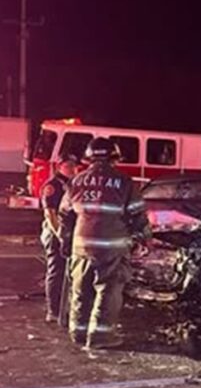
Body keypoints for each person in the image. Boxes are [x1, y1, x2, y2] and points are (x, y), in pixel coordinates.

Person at [58, 137, 151, 349]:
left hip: (81, 245)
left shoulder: (75, 181)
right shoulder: (125, 183)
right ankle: (101, 337)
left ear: (89, 158)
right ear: (114, 158)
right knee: (108, 290)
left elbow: (64, 214)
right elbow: (138, 216)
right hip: (111, 246)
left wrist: (66, 240)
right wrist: (145, 238)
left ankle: (78, 333)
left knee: (81, 289)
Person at [40, 153, 78, 323]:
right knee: (56, 271)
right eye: (67, 165)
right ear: (59, 166)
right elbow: (50, 214)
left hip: (68, 234)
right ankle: (53, 311)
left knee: (68, 273)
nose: (72, 168)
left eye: (74, 165)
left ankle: (64, 309)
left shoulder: (72, 185)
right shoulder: (53, 186)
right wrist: (61, 236)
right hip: (55, 234)